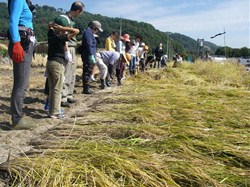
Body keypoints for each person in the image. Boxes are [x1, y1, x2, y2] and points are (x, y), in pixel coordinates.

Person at [8, 0, 37, 130]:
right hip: (22, 44)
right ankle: (17, 119)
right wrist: (16, 43)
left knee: (22, 82)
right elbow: (13, 20)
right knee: (21, 83)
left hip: (25, 43)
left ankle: (17, 116)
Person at [54, 1, 84, 107]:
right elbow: (63, 36)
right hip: (67, 47)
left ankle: (69, 94)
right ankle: (62, 97)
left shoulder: (71, 20)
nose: (79, 14)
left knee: (72, 73)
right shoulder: (64, 19)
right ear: (77, 11)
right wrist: (66, 51)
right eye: (80, 12)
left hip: (72, 48)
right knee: (66, 73)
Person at [46, 21, 79, 119]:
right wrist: (63, 28)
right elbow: (76, 31)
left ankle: (51, 110)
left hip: (50, 63)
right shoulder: (60, 38)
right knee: (57, 88)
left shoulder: (51, 35)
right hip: (57, 64)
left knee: (52, 88)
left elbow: (49, 27)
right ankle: (56, 112)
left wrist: (53, 26)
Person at [80, 21, 103, 94]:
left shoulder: (90, 33)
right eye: (97, 30)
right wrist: (91, 55)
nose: (97, 32)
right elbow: (89, 44)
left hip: (89, 54)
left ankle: (87, 87)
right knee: (87, 71)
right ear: (94, 27)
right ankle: (86, 89)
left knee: (89, 71)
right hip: (88, 55)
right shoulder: (88, 33)